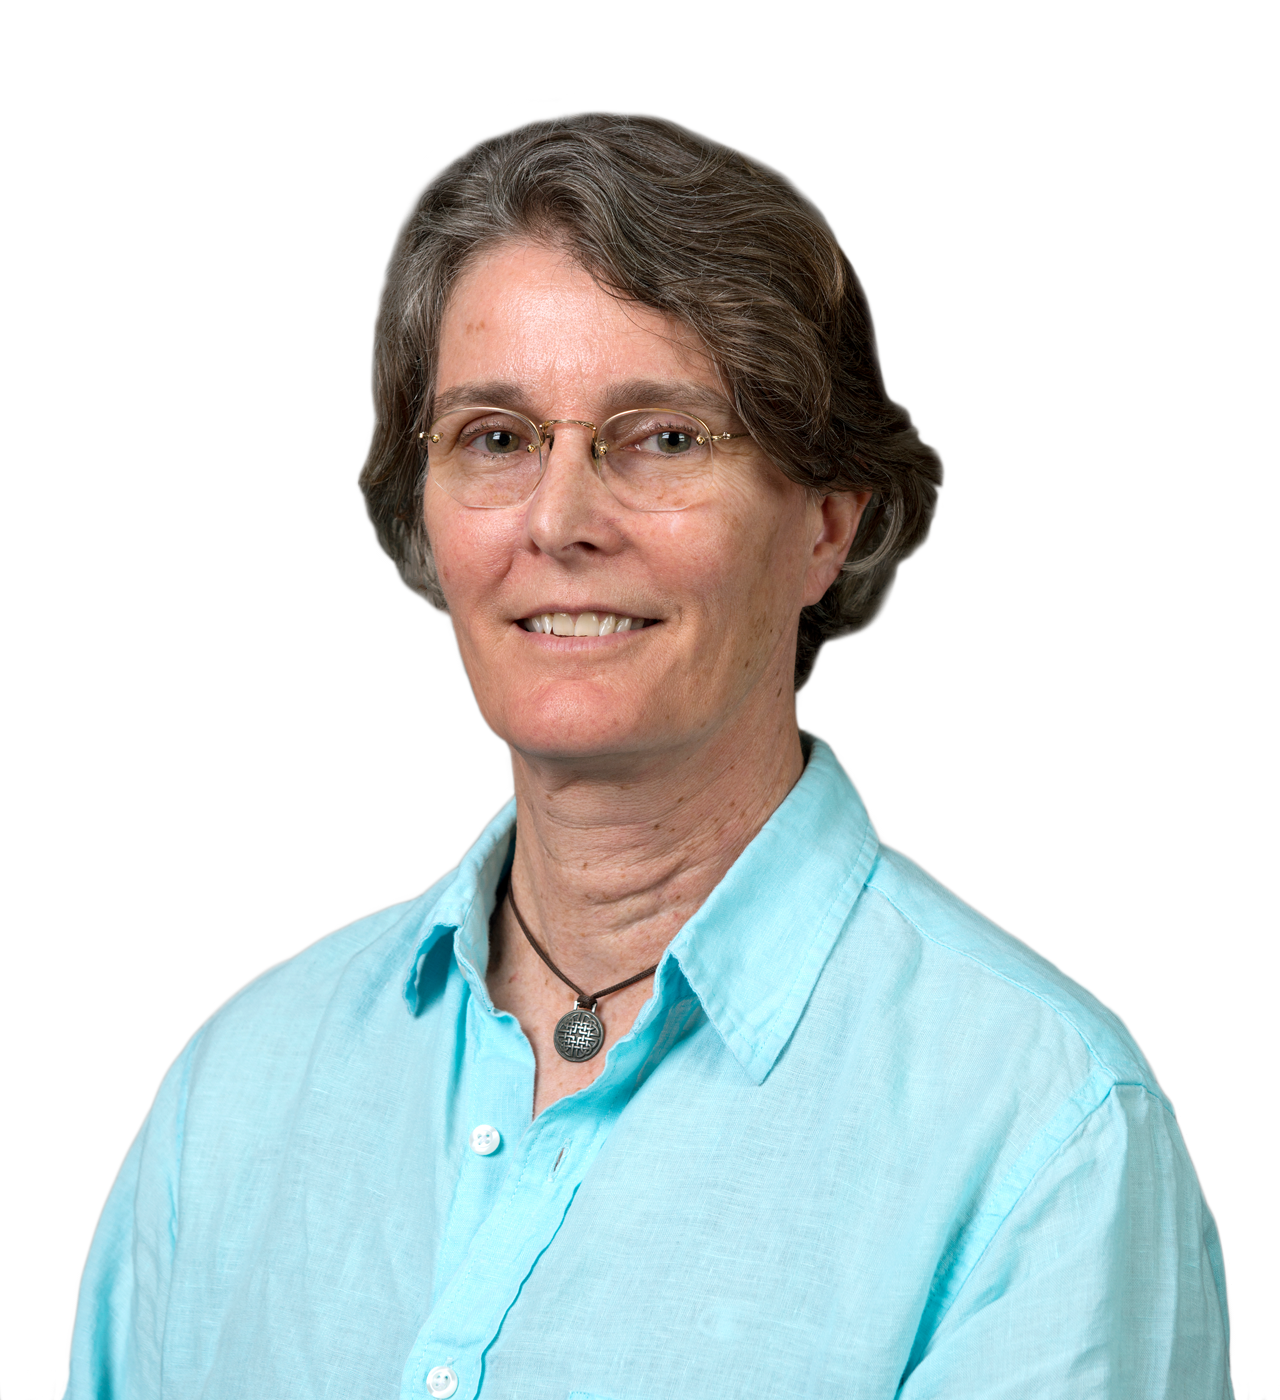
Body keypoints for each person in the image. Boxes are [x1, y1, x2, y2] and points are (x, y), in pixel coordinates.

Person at [63, 97, 1231, 1399]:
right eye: (495, 438)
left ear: (826, 525)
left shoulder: (1040, 1140)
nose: (559, 520)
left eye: (664, 438)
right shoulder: (237, 1097)